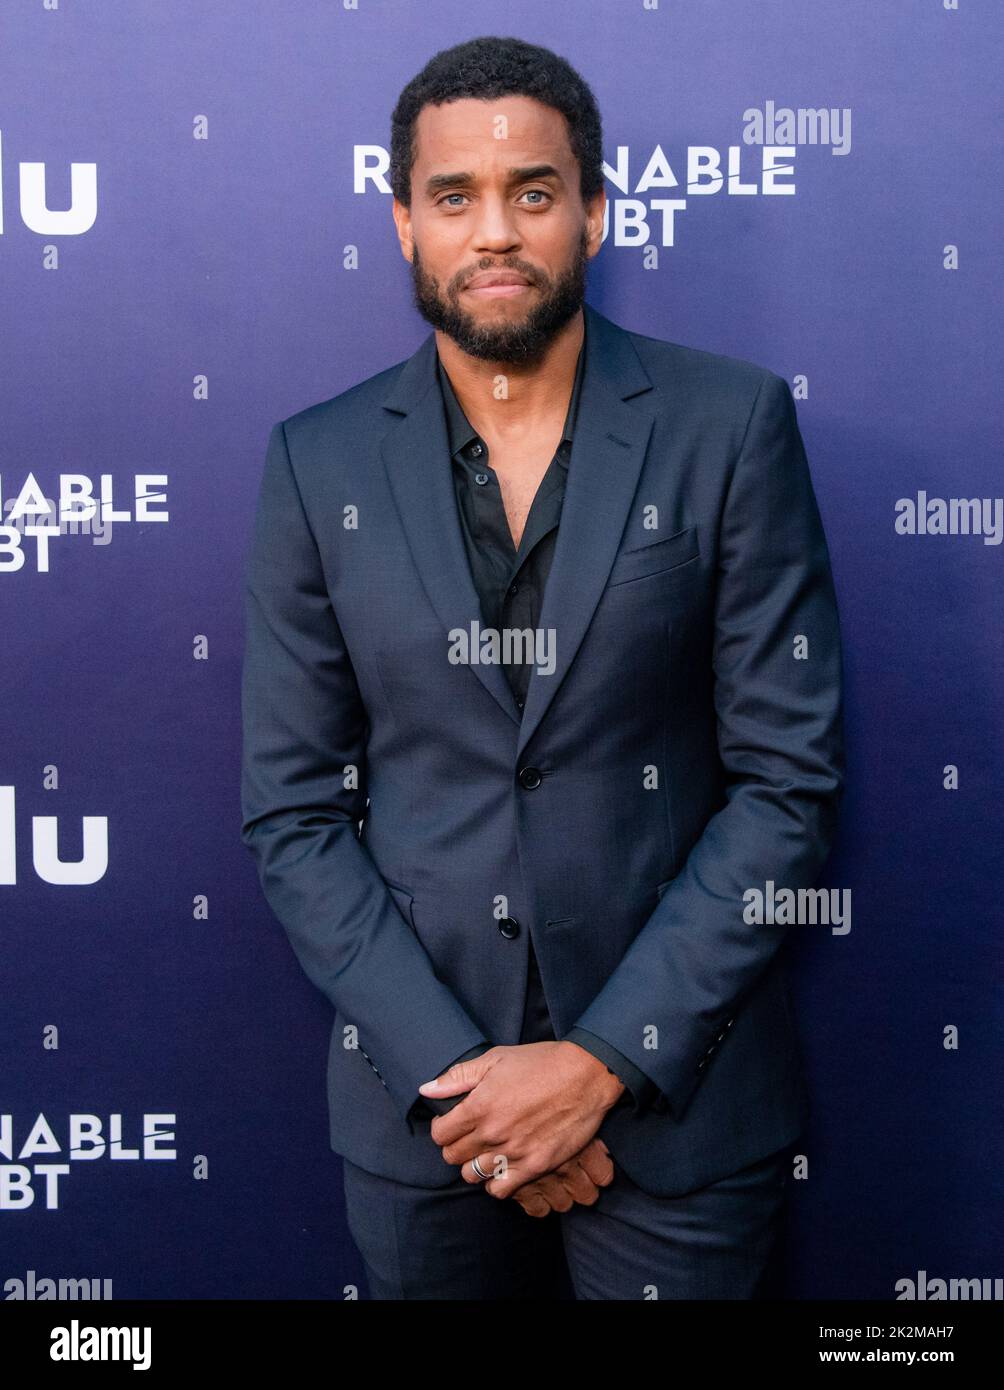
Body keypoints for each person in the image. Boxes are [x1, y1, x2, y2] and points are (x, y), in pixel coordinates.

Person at [240, 35, 844, 1300]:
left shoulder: (727, 426)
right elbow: (294, 815)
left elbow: (786, 785)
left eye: (532, 192)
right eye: (453, 196)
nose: (495, 231)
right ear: (403, 222)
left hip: (675, 1116)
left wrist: (596, 1067)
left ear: (593, 212)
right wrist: (468, 1085)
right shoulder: (317, 464)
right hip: (428, 1125)